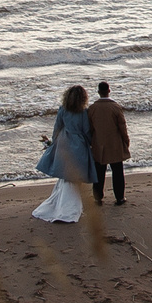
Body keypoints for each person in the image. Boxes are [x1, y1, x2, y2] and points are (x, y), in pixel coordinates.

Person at [33, 85, 97, 224]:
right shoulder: (83, 112)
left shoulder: (63, 109)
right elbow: (86, 130)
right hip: (78, 143)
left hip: (64, 141)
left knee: (65, 175)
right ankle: (69, 209)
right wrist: (91, 143)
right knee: (74, 175)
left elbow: (57, 127)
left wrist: (54, 143)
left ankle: (62, 205)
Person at [87, 80, 131, 206]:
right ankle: (119, 197)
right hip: (114, 144)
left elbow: (89, 128)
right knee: (117, 172)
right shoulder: (115, 107)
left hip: (98, 143)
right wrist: (126, 140)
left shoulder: (93, 108)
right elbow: (122, 127)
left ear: (98, 92)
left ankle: (98, 197)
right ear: (109, 91)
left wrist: (90, 142)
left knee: (99, 173)